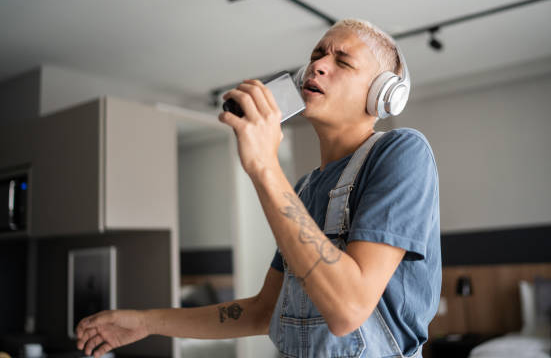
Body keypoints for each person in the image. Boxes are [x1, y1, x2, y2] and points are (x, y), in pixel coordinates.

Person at [76, 18, 441, 358]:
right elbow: (261, 310)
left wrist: (264, 166)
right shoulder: (304, 189)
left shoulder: (402, 152)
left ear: (382, 95)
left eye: (342, 62)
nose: (318, 66)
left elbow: (347, 310)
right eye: (317, 55)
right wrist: (145, 323)